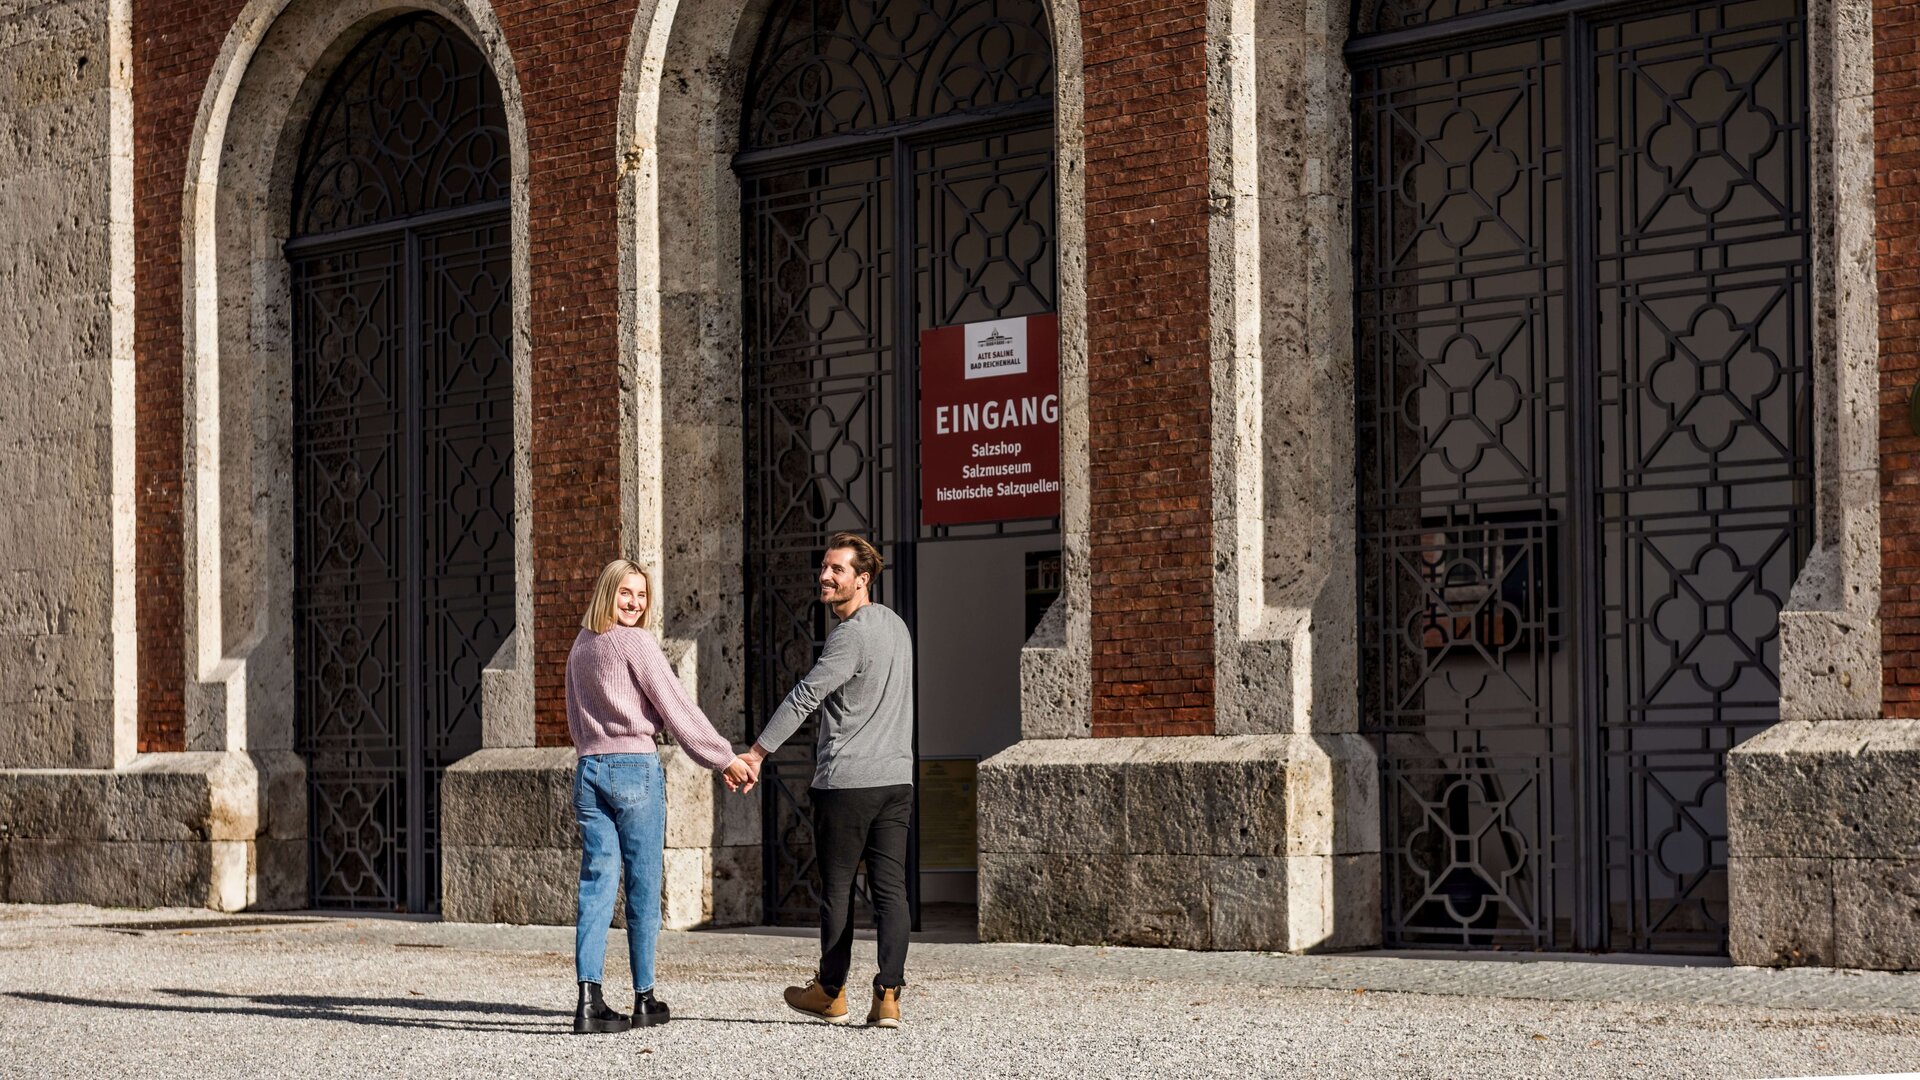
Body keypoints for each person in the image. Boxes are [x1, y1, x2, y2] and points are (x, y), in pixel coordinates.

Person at [566, 558, 757, 1035]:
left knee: (595, 886)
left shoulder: (580, 647)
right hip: (634, 769)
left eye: (642, 595)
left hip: (589, 768)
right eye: (625, 593)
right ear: (607, 593)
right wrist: (724, 758)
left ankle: (588, 1000)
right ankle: (644, 998)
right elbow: (676, 707)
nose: (635, 603)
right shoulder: (636, 642)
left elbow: (574, 717)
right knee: (644, 888)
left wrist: (595, 747)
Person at [739, 531, 914, 1029]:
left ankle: (831, 993)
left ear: (863, 579)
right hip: (896, 780)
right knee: (890, 892)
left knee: (837, 890)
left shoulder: (850, 635)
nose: (824, 576)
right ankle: (888, 997)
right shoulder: (897, 627)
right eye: (824, 567)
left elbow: (803, 697)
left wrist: (756, 753)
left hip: (847, 783)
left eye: (836, 569)